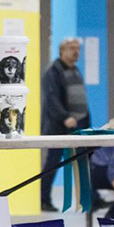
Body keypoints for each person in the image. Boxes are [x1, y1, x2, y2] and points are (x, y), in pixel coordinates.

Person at [40, 37, 91, 212]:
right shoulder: (52, 72)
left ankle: (90, 198)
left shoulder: (75, 70)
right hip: (59, 126)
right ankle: (43, 198)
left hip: (79, 124)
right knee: (53, 162)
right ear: (62, 51)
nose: (76, 52)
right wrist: (64, 117)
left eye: (78, 48)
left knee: (84, 161)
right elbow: (52, 99)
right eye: (72, 48)